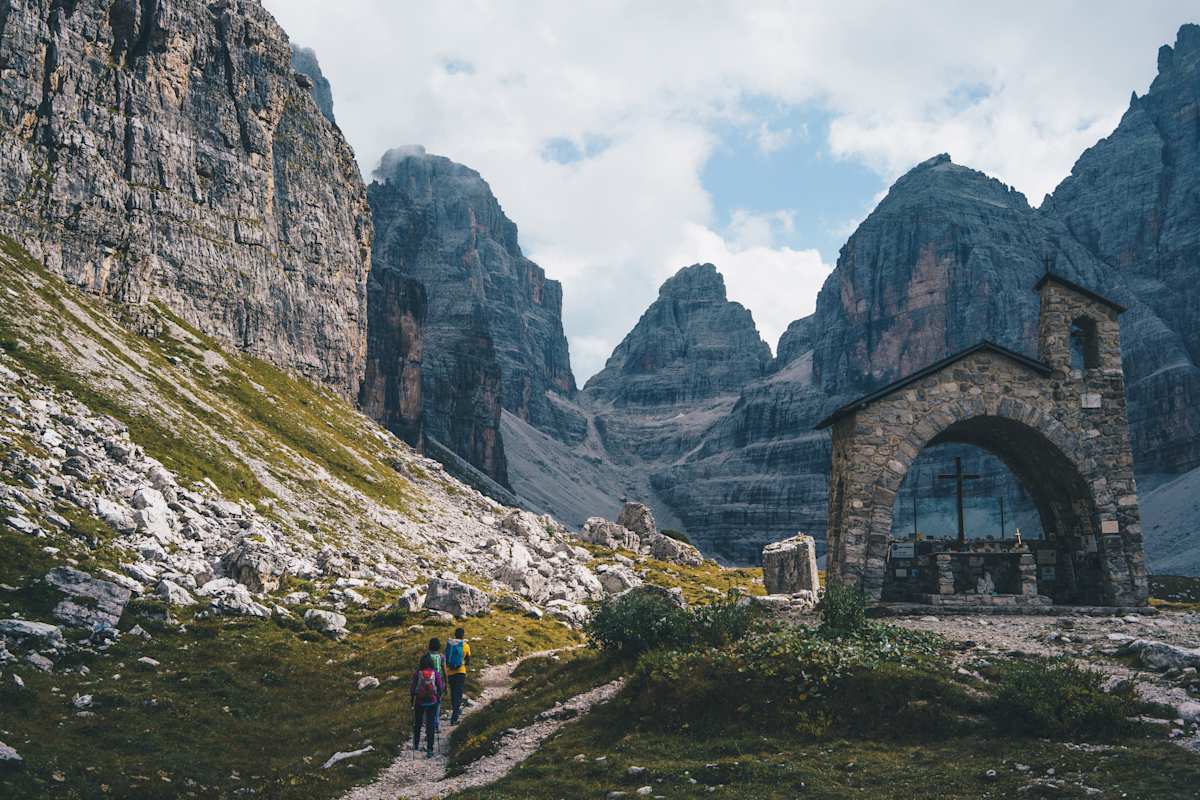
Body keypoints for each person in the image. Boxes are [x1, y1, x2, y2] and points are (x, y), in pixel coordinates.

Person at [410, 652, 444, 757]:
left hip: (419, 701)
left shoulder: (417, 673)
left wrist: (412, 698)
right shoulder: (435, 673)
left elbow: (412, 688)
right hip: (432, 701)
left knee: (418, 723)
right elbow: (440, 687)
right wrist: (438, 696)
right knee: (430, 724)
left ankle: (416, 744)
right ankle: (430, 748)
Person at [444, 627, 472, 724]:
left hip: (450, 672)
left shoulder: (450, 645)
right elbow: (468, 661)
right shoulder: (465, 645)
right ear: (462, 635)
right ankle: (454, 718)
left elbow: (446, 657)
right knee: (458, 694)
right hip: (460, 672)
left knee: (453, 694)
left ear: (455, 634)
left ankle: (454, 711)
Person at [426, 637, 446, 730]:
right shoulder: (441, 656)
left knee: (428, 703)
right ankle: (436, 723)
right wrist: (446, 684)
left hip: (427, 683)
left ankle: (429, 724)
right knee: (437, 703)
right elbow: (445, 671)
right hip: (439, 683)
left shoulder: (426, 656)